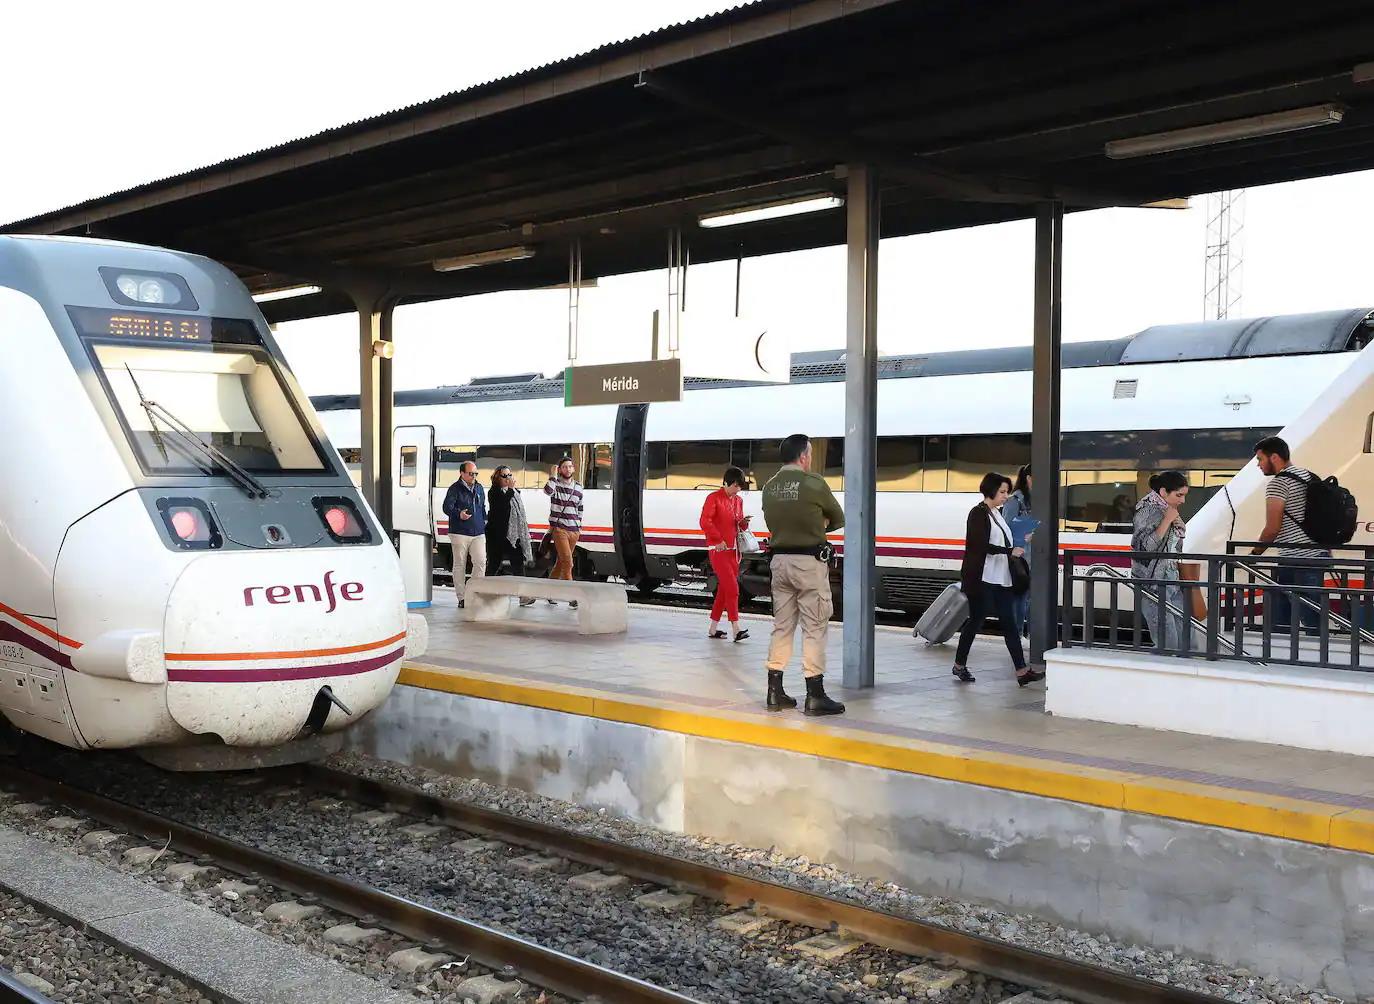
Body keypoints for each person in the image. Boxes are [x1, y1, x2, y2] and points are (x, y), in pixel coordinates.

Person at [760, 434, 845, 716]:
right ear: (804, 456)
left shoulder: (769, 487)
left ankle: (775, 692)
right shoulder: (813, 483)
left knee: (782, 626)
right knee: (815, 626)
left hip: (779, 563)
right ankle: (815, 694)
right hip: (808, 563)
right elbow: (838, 518)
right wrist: (816, 527)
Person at [952, 472, 1040, 686]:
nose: (1005, 496)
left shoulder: (997, 514)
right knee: (975, 622)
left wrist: (1021, 538)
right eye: (1002, 492)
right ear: (990, 491)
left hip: (1001, 579)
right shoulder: (978, 513)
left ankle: (1021, 671)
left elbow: (1004, 539)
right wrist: (1009, 551)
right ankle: (959, 665)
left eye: (1006, 492)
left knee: (1010, 625)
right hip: (982, 580)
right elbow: (979, 545)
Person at [1251, 436, 1329, 634]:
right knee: (1315, 621)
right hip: (1319, 556)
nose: (1258, 465)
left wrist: (1253, 555)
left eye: (1260, 459)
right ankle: (1318, 662)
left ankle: (1280, 660)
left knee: (1280, 620)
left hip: (1294, 559)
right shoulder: (1310, 477)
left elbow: (1272, 529)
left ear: (1274, 457)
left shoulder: (1279, 483)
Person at [1132, 471, 1190, 651]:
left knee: (1183, 640)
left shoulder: (1168, 510)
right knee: (1169, 642)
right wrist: (1167, 521)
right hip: (1154, 584)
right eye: (1179, 495)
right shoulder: (1148, 510)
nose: (1183, 501)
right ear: (1164, 492)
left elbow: (1173, 547)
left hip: (1171, 580)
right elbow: (1145, 548)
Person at [699, 466, 752, 642]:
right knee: (733, 588)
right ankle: (736, 628)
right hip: (719, 551)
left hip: (733, 551)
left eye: (740, 486)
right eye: (736, 485)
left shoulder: (738, 501)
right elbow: (705, 521)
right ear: (727, 483)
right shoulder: (713, 498)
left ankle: (713, 629)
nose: (738, 490)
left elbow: (738, 525)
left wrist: (744, 523)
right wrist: (717, 539)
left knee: (724, 590)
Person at [487, 466, 534, 606]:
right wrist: (511, 490)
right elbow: (501, 506)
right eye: (504, 476)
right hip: (498, 536)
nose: (508, 478)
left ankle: (523, 596)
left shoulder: (515, 493)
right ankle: (483, 592)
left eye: (509, 475)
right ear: (497, 478)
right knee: (494, 565)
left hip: (514, 536)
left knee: (518, 566)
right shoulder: (493, 492)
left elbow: (519, 514)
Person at [442, 461, 487, 608]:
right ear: (462, 473)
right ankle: (462, 597)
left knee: (480, 562)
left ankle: (474, 593)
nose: (473, 476)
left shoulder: (479, 488)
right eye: (470, 473)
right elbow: (446, 507)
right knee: (459, 564)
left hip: (478, 532)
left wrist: (484, 521)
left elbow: (482, 507)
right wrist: (458, 514)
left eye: (475, 473)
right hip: (459, 532)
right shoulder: (454, 489)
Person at [544, 455, 585, 607]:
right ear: (560, 469)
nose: (567, 469)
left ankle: (549, 591)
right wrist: (553, 476)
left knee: (561, 562)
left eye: (570, 466)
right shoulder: (555, 484)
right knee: (568, 562)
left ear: (573, 469)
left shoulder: (579, 486)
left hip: (574, 530)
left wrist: (579, 525)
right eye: (564, 467)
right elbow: (547, 491)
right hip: (559, 528)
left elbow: (580, 507)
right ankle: (572, 596)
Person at [1001, 464, 1033, 637]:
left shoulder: (1037, 501)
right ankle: (1017, 636)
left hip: (1035, 559)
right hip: (1020, 560)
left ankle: (1032, 636)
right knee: (1020, 599)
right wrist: (1023, 537)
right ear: (1029, 478)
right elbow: (1005, 531)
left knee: (1031, 600)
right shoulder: (1016, 501)